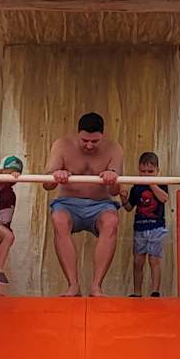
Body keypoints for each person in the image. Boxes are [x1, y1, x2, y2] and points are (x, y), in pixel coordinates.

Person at [44, 112, 123, 297]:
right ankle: (73, 285)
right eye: (84, 140)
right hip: (68, 203)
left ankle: (96, 286)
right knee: (58, 219)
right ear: (77, 134)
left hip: (100, 204)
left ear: (102, 136)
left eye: (94, 141)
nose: (89, 145)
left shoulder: (114, 149)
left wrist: (112, 179)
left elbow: (115, 192)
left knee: (111, 221)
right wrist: (57, 175)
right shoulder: (61, 145)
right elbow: (46, 185)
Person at [122, 151, 169, 296]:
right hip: (140, 228)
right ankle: (137, 292)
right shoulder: (136, 187)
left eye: (150, 172)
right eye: (143, 171)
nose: (146, 174)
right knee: (138, 261)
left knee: (154, 260)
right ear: (138, 170)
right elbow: (129, 207)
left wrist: (152, 184)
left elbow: (164, 198)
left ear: (157, 171)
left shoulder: (161, 183)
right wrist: (123, 199)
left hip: (156, 227)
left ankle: (155, 292)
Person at [0, 155, 23, 285]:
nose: (13, 175)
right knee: (9, 236)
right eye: (10, 172)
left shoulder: (10, 193)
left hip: (2, 226)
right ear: (1, 171)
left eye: (16, 172)